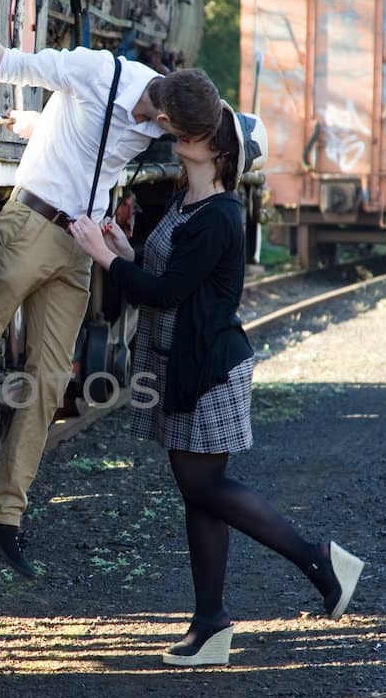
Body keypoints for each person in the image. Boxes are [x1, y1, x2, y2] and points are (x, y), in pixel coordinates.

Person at [69, 69, 365, 667]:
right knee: (198, 495)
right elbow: (164, 274)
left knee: (204, 486)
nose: (178, 134)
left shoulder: (221, 215)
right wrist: (125, 251)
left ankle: (319, 560)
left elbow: (168, 294)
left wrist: (104, 259)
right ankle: (211, 626)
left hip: (206, 371)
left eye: (193, 132)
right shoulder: (189, 201)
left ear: (218, 149)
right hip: (179, 363)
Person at [0, 20, 204, 579]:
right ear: (165, 119)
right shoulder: (95, 72)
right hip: (30, 226)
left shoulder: (163, 111)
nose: (181, 149)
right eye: (180, 139)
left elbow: (223, 133)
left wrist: (41, 124)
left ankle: (4, 515)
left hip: (80, 247)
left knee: (48, 381)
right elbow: (3, 64)